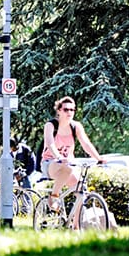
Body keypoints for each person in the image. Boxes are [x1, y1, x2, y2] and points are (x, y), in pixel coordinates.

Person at [40, 96, 104, 224]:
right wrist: (58, 157)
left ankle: (76, 226)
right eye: (66, 109)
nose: (69, 112)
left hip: (69, 164)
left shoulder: (76, 126)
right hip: (50, 163)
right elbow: (49, 143)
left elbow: (86, 144)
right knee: (67, 168)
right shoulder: (51, 125)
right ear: (58, 110)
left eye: (72, 110)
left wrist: (99, 158)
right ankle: (54, 197)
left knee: (82, 189)